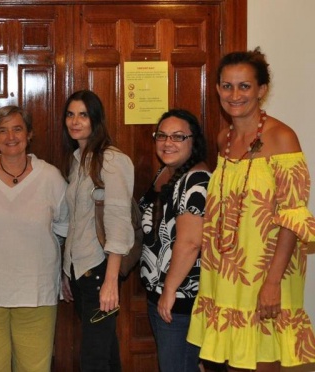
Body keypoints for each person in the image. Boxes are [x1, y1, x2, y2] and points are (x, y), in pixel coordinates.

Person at [187, 48, 315, 371]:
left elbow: (291, 218)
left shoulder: (283, 138)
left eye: (244, 86)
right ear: (217, 90)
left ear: (261, 90)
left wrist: (272, 284)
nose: (235, 94)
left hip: (265, 277)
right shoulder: (223, 139)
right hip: (227, 277)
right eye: (227, 86)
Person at [0, 106, 69, 372]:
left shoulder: (51, 177)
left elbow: (63, 227)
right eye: (2, 130)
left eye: (17, 128)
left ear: (29, 134)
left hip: (36, 291)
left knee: (34, 368)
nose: (11, 136)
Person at [60, 90, 134, 372]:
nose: (75, 121)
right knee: (105, 353)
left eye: (83, 114)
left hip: (101, 272)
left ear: (95, 119)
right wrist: (68, 271)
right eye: (70, 114)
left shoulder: (112, 161)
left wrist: (111, 281)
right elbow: (76, 221)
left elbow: (117, 221)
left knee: (94, 359)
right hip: (82, 274)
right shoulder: (78, 160)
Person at [138, 109, 210, 372]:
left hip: (180, 299)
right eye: (162, 136)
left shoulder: (196, 181)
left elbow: (191, 242)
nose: (168, 143)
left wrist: (169, 291)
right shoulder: (166, 172)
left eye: (178, 137)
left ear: (194, 141)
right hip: (161, 295)